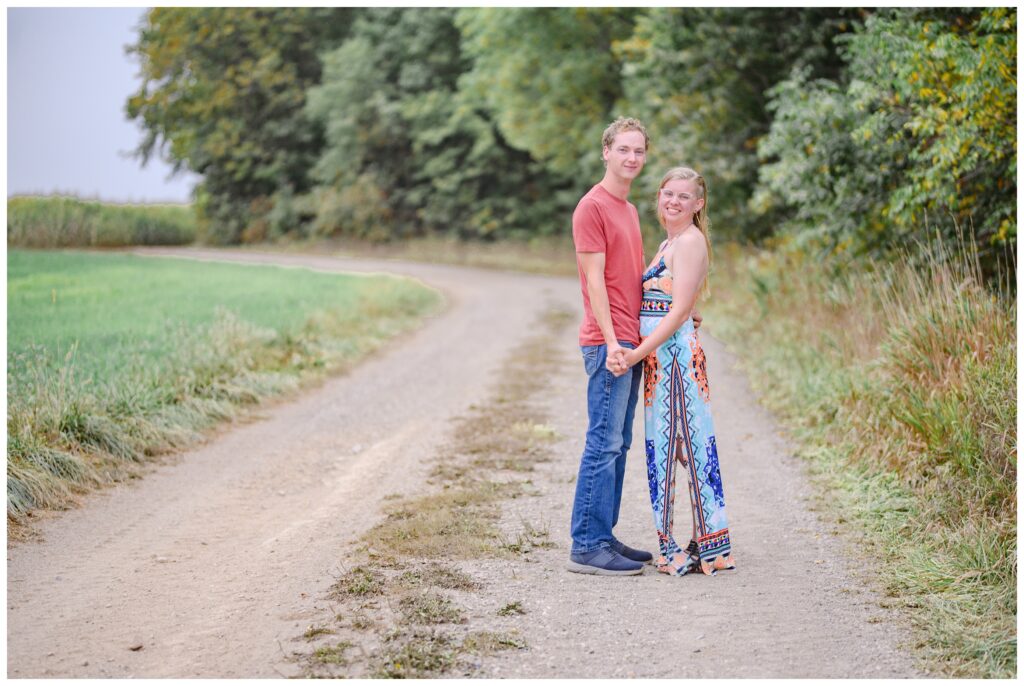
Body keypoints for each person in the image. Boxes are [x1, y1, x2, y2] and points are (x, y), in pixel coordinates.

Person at [567, 118, 701, 575]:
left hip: (633, 339)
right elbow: (595, 284)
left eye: (639, 151)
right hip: (612, 343)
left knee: (619, 444)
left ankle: (603, 535)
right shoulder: (593, 207)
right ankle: (585, 545)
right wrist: (611, 343)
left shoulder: (626, 209)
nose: (631, 158)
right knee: (602, 443)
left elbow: (637, 280)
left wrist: (675, 309)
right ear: (606, 151)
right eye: (623, 149)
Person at [609, 166, 736, 577]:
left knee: (686, 447)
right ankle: (697, 543)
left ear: (698, 204)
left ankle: (709, 547)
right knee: (671, 448)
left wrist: (637, 353)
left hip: (675, 361)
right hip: (662, 362)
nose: (674, 201)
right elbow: (676, 303)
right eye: (668, 193)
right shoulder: (670, 242)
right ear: (659, 197)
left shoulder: (691, 242)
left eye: (684, 196)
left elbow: (679, 310)